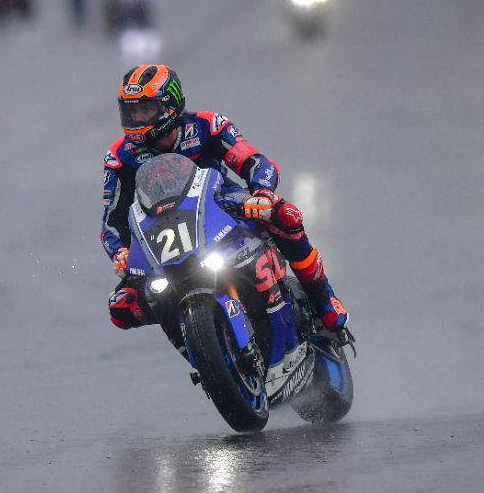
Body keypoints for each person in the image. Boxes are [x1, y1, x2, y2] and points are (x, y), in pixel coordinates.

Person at [101, 64, 348, 333]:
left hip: (221, 202)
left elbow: (256, 163)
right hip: (159, 227)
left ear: (169, 105)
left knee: (285, 215)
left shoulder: (207, 125)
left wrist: (262, 193)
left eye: (145, 109)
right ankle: (193, 338)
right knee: (122, 307)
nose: (137, 118)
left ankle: (324, 299)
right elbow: (112, 219)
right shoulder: (119, 156)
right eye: (131, 110)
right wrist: (120, 251)